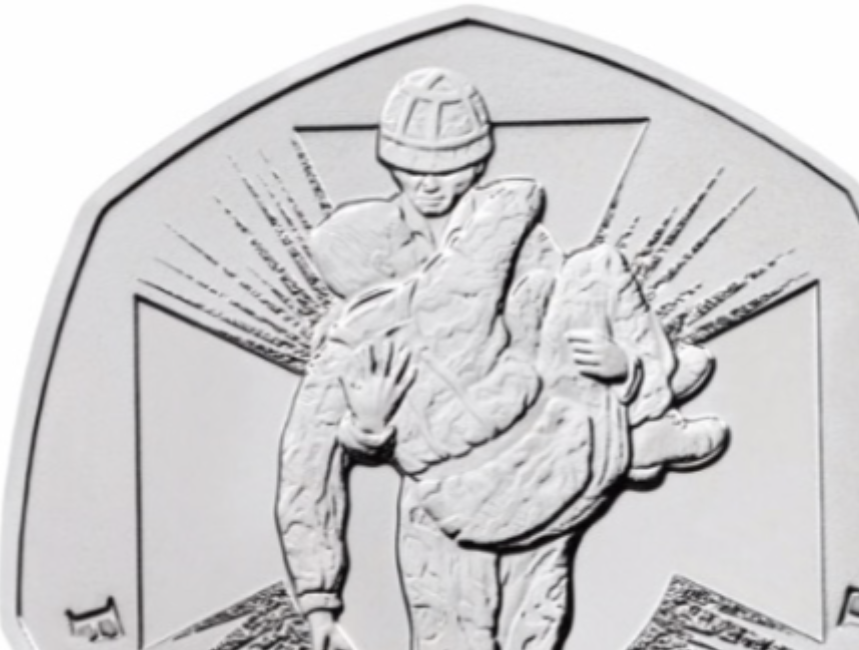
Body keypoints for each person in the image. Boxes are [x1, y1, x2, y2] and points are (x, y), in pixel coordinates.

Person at [276, 68, 728, 650]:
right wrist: (363, 436)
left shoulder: (511, 253)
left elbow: (561, 319)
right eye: (414, 170)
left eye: (447, 168)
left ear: (473, 164)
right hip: (468, 487)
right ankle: (641, 426)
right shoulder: (357, 337)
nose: (430, 185)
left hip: (545, 441)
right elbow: (309, 464)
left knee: (531, 624)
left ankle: (645, 409)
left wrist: (627, 370)